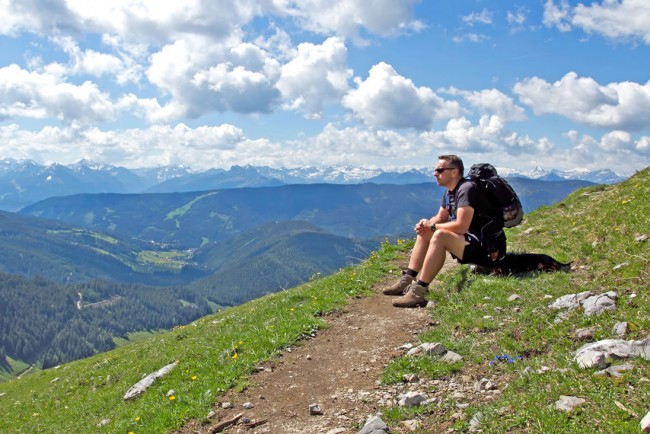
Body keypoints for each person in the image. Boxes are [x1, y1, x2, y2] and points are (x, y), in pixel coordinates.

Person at [384, 154, 506, 308]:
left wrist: (433, 227)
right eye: (436, 170)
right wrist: (426, 224)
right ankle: (407, 280)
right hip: (470, 242)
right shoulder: (450, 191)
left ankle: (418, 292)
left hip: (488, 249)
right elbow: (441, 217)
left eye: (440, 170)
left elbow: (462, 226)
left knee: (439, 235)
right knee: (424, 232)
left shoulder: (466, 189)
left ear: (454, 172)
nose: (435, 173)